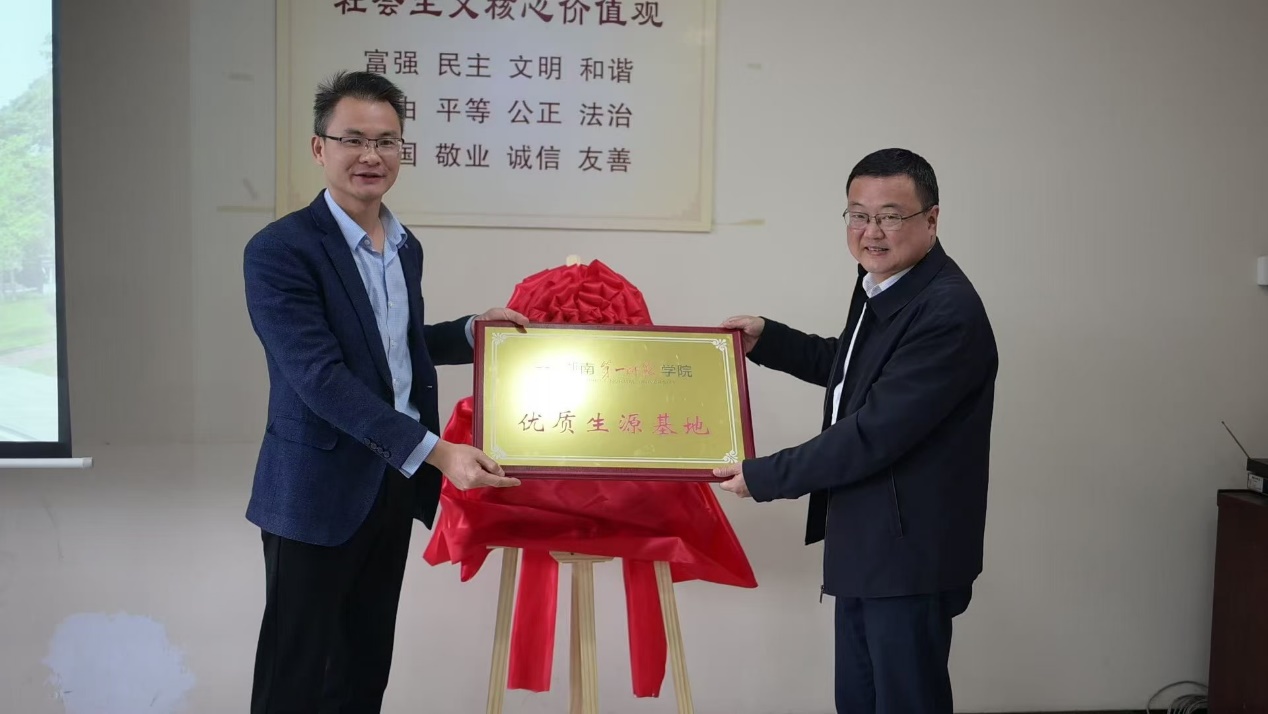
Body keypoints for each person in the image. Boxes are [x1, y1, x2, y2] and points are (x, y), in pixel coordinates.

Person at [241, 70, 525, 713]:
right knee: (295, 678)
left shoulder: (403, 245)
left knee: (363, 671)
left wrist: (472, 333)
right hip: (314, 492)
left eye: (386, 141)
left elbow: (391, 345)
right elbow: (320, 377)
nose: (371, 155)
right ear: (320, 148)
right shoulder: (281, 250)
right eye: (353, 139)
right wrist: (437, 452)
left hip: (390, 485)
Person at [712, 148, 998, 714]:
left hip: (907, 553)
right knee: (861, 702)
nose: (872, 232)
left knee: (905, 702)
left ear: (932, 219)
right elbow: (855, 369)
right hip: (869, 539)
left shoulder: (947, 311)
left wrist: (765, 475)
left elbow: (874, 431)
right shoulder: (888, 284)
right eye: (858, 215)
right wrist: (769, 340)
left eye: (890, 216)